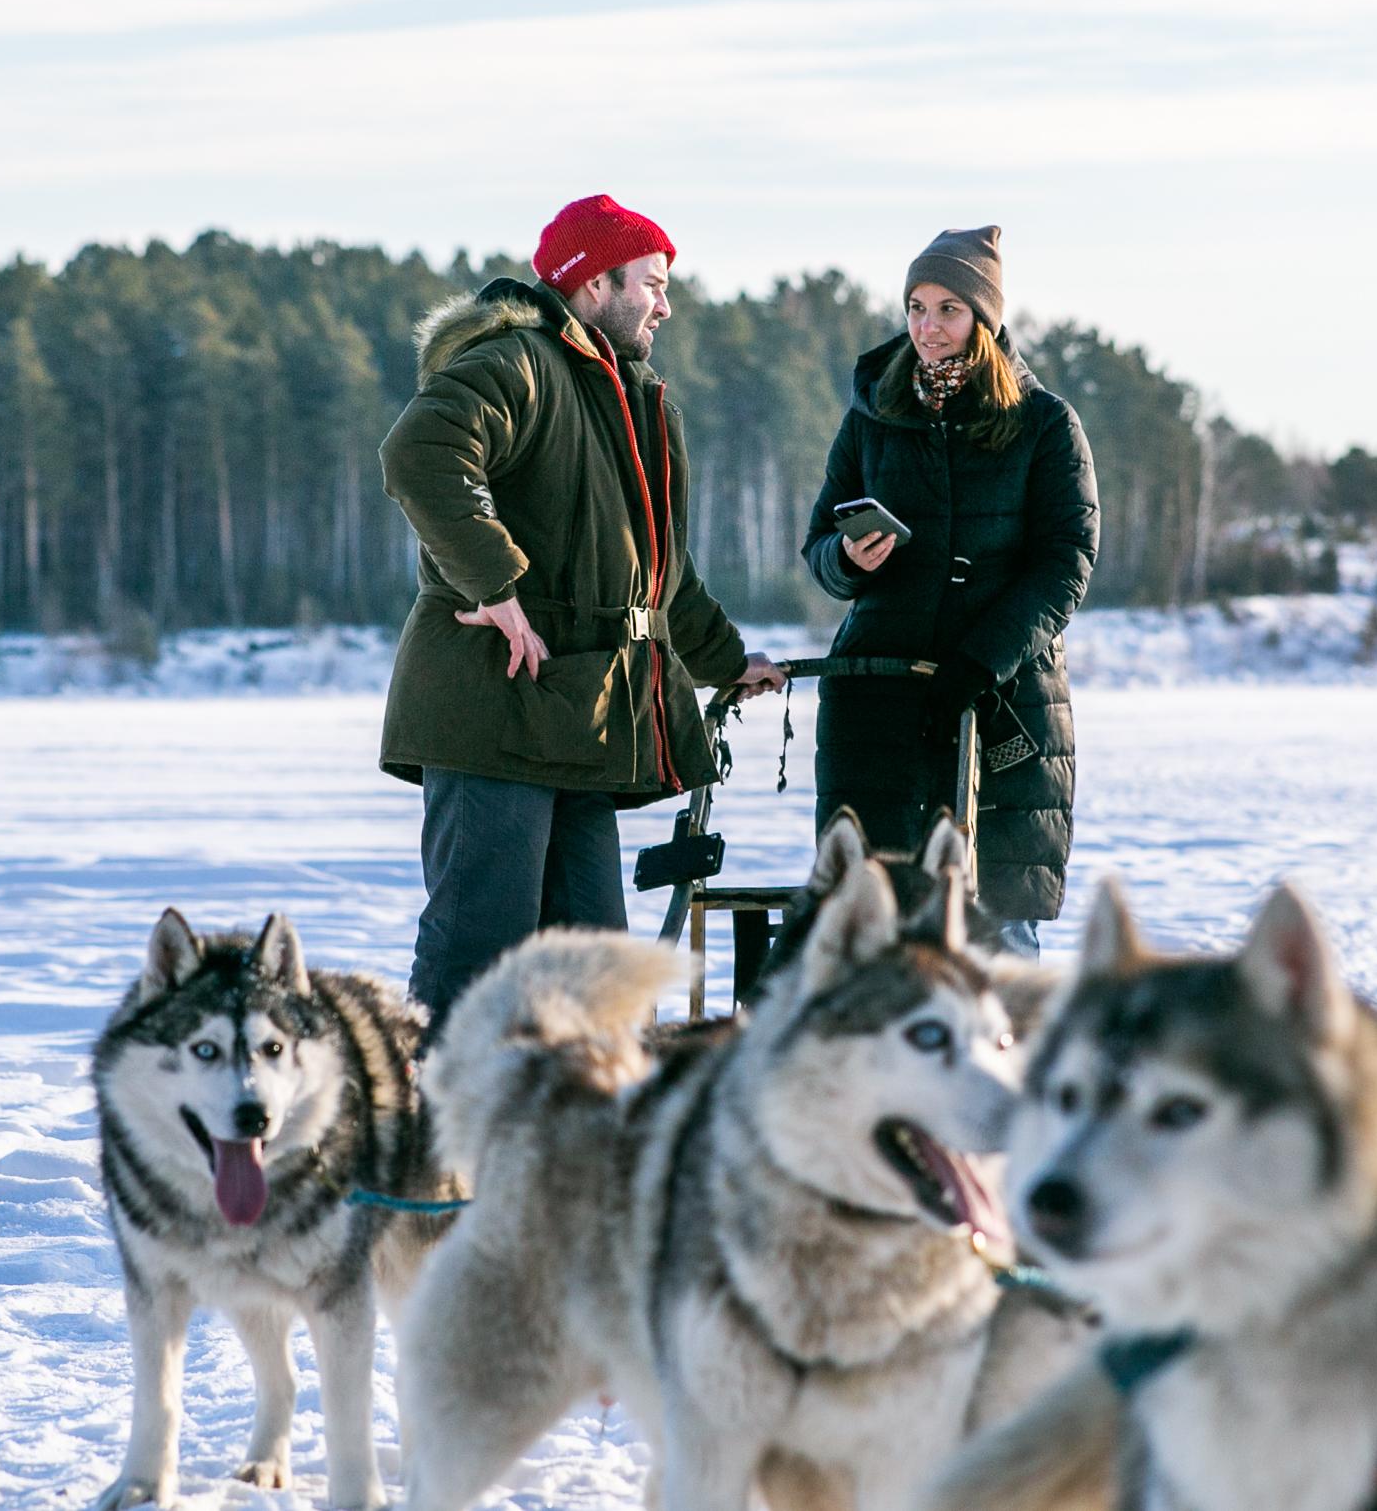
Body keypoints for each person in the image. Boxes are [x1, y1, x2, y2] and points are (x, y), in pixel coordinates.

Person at [379, 194, 783, 1031]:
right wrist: (495, 587)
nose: (666, 304)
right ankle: (429, 1154)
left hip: (582, 719)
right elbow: (422, 452)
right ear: (596, 283)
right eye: (654, 283)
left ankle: (585, 1153)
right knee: (478, 965)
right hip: (493, 708)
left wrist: (725, 660)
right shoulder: (517, 361)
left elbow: (658, 577)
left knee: (598, 977)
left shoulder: (631, 397)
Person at [801, 225, 1098, 950]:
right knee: (874, 916)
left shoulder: (1044, 424)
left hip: (1002, 703)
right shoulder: (873, 415)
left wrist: (978, 662)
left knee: (996, 927)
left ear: (984, 319)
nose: (927, 327)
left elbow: (1067, 561)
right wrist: (849, 559)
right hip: (877, 699)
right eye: (916, 307)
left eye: (947, 309)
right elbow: (816, 548)